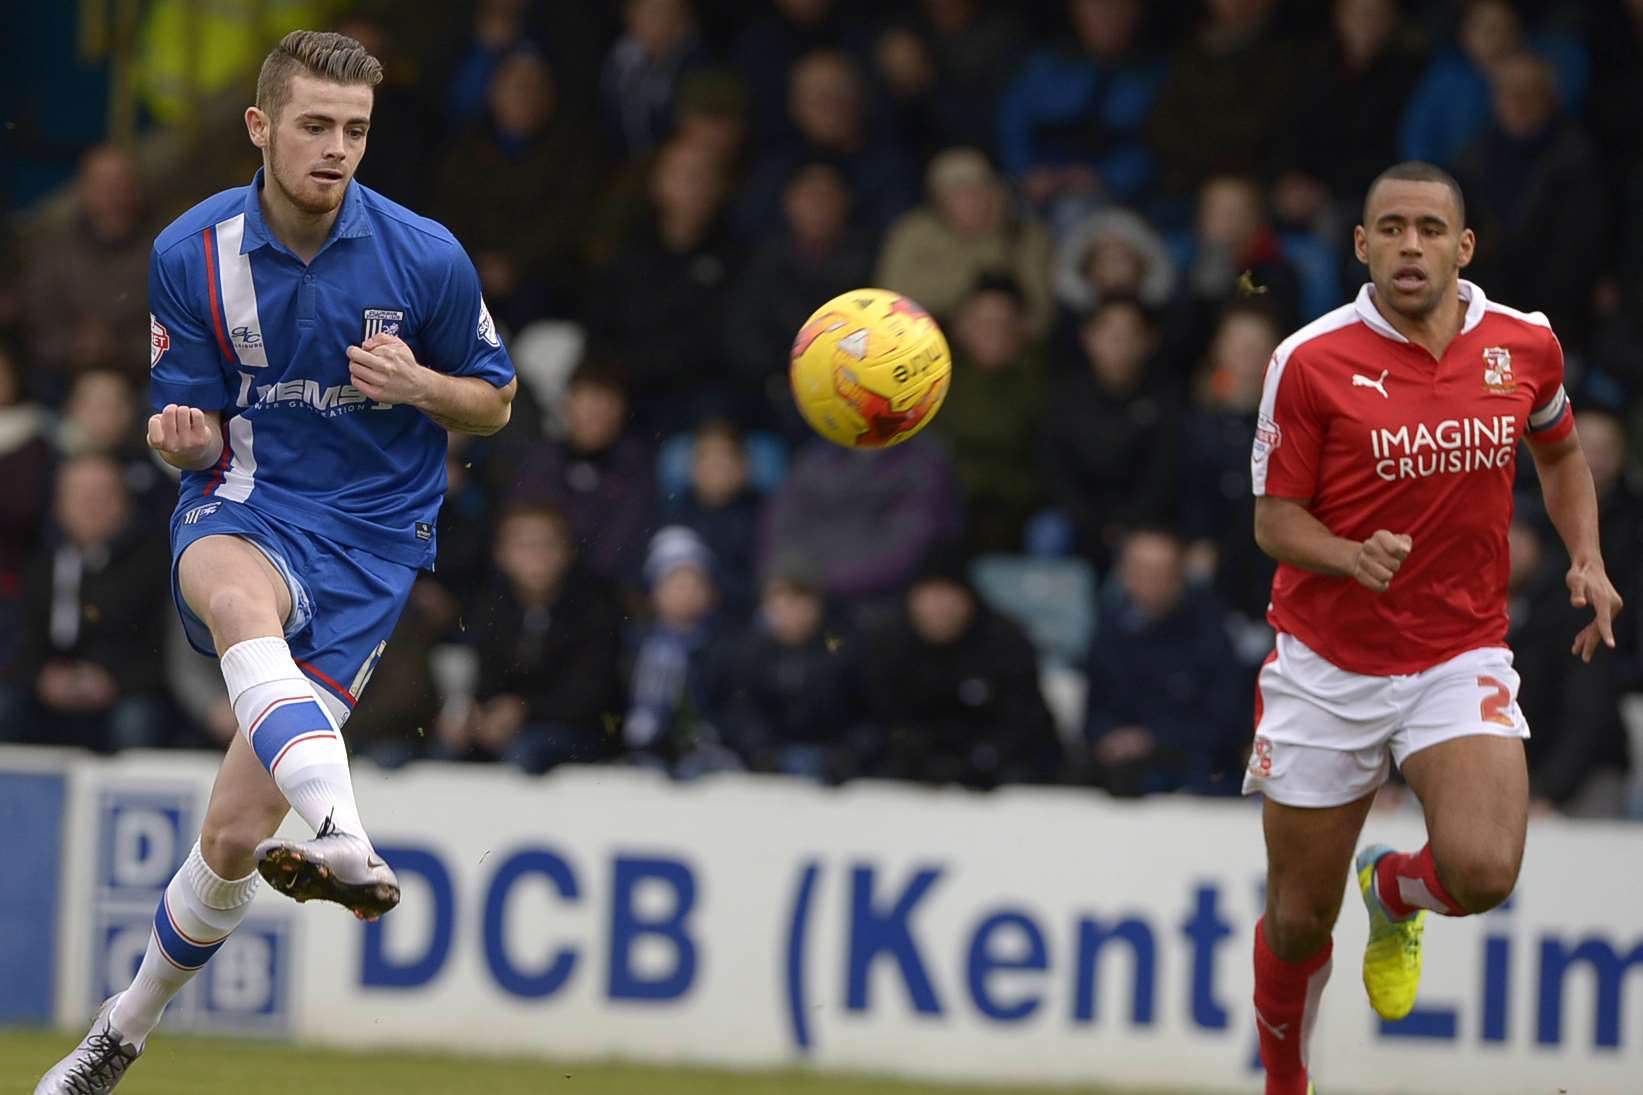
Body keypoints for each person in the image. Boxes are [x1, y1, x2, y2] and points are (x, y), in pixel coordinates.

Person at [34, 31, 518, 1094]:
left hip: (377, 542)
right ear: (261, 128)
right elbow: (198, 420)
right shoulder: (189, 252)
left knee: (234, 834)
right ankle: (347, 836)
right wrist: (183, 441)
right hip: (247, 503)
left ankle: (118, 1032)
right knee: (240, 607)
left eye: (354, 130)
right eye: (314, 126)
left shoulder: (424, 255)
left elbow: (494, 397)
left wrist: (418, 385)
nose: (336, 149)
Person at [1243, 161, 1621, 1094]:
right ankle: (1286, 1082)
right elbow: (1273, 520)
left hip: (1457, 650)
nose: (1409, 245)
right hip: (1327, 662)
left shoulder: (1524, 345)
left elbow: (1561, 450)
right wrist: (1345, 553)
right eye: (1389, 228)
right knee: (1296, 919)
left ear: (1462, 247)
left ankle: (1396, 888)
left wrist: (1585, 556)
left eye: (1427, 228)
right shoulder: (1309, 358)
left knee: (1486, 868)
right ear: (1361, 245)